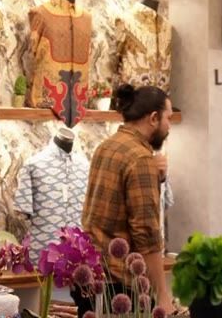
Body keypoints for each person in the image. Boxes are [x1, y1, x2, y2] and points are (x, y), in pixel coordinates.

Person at [78, 83, 175, 316]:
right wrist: (163, 294)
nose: (169, 126)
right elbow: (146, 234)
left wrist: (156, 178)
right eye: (168, 118)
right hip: (120, 288)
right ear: (153, 118)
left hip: (92, 278)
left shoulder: (105, 146)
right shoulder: (140, 159)